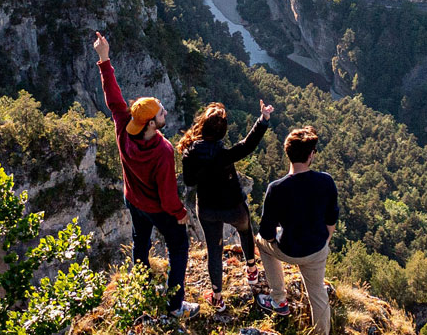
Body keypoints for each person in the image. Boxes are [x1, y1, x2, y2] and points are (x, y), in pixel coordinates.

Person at [93, 31, 197, 318]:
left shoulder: (125, 126)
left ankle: (141, 283)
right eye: (162, 113)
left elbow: (113, 98)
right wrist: (180, 213)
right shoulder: (162, 151)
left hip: (133, 200)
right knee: (179, 247)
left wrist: (104, 59)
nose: (165, 113)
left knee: (141, 240)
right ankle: (175, 306)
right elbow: (167, 196)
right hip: (156, 207)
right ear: (151, 123)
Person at [176, 99, 274, 306]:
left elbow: (190, 181)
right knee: (246, 231)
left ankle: (217, 298)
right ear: (222, 132)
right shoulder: (224, 155)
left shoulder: (190, 152)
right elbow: (248, 144)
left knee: (214, 250)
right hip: (233, 206)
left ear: (201, 126)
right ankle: (251, 269)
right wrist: (263, 119)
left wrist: (200, 168)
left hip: (207, 209)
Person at [254, 126, 340, 335]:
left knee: (260, 242)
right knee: (318, 294)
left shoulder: (276, 188)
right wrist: (325, 241)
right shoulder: (326, 181)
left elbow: (266, 233)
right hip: (316, 250)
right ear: (311, 155)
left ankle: (278, 299)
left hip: (288, 249)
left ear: (287, 153)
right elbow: (331, 220)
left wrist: (276, 233)